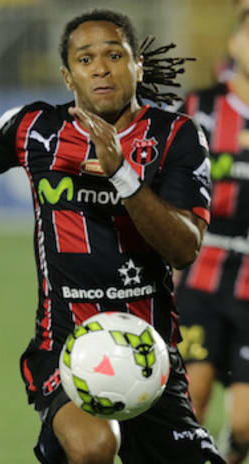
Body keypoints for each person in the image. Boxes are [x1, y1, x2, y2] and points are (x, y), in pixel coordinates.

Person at [0, 9, 225, 464]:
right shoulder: (36, 129)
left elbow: (184, 248)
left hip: (149, 354)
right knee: (93, 446)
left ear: (137, 64)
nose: (100, 67)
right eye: (85, 59)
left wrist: (124, 177)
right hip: (66, 346)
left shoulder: (176, 137)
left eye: (113, 55)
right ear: (68, 76)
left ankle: (54, 448)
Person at [175, 2, 249, 463]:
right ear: (235, 43)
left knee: (244, 423)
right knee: (191, 402)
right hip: (201, 279)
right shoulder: (201, 109)